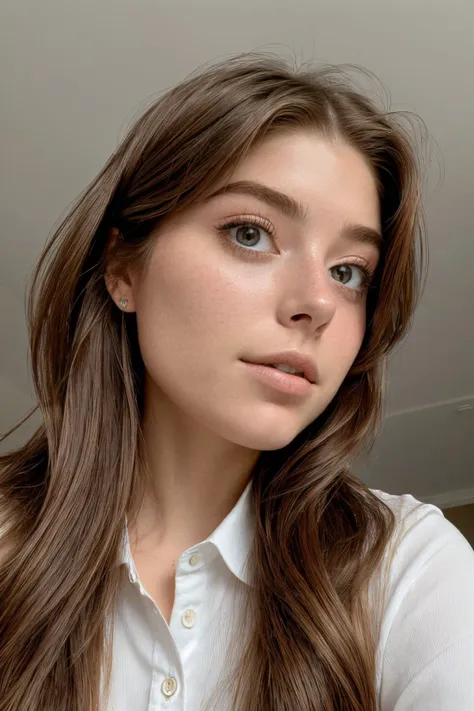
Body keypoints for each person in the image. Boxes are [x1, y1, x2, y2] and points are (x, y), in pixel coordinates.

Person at [0, 51, 473, 711]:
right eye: (250, 233)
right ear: (123, 270)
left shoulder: (403, 566)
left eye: (349, 270)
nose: (317, 302)